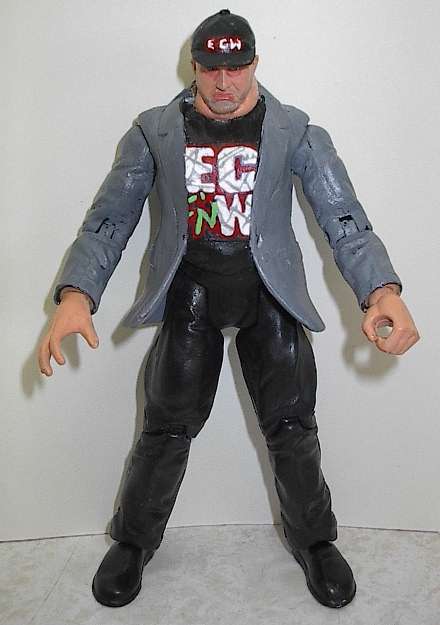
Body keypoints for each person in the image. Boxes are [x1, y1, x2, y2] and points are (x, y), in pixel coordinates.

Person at [38, 9, 419, 610]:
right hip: (191, 288)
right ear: (194, 66)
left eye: (236, 68)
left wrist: (381, 290)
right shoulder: (154, 132)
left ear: (255, 64)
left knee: (292, 426)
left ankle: (315, 540)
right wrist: (76, 295)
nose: (223, 82)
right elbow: (110, 219)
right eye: (211, 68)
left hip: (269, 289)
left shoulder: (295, 131)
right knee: (166, 423)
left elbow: (344, 217)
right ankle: (134, 540)